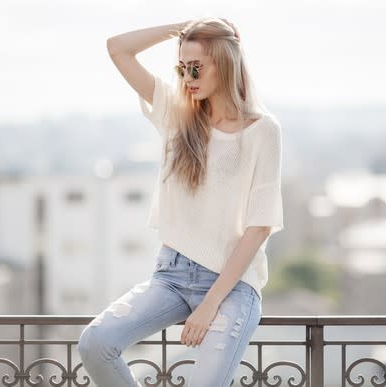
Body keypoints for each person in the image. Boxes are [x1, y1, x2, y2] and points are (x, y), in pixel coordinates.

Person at [77, 17, 284, 387]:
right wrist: (180, 29)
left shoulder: (263, 131)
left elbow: (259, 227)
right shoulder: (177, 113)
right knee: (96, 343)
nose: (187, 76)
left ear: (225, 63)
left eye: (196, 66)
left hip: (233, 285)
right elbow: (117, 48)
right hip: (171, 275)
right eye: (182, 67)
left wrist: (209, 305)